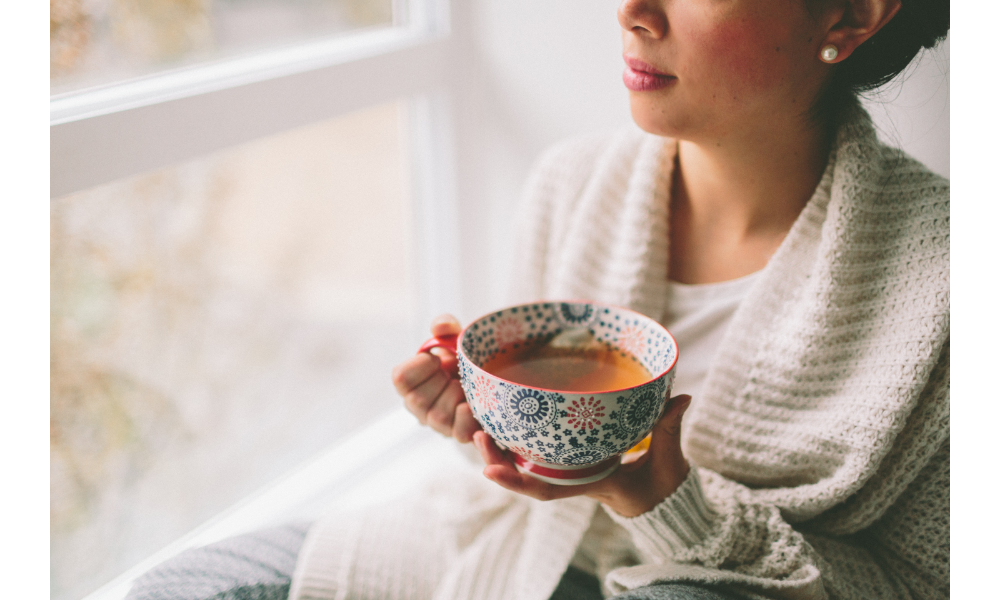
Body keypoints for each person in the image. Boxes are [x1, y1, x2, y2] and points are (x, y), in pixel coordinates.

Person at [126, 1, 949, 599]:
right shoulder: (573, 183)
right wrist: (477, 417)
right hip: (513, 551)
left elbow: (925, 585)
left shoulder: (950, 280)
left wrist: (665, 502)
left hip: (709, 582)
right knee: (182, 589)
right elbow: (537, 456)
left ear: (848, 16)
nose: (632, 11)